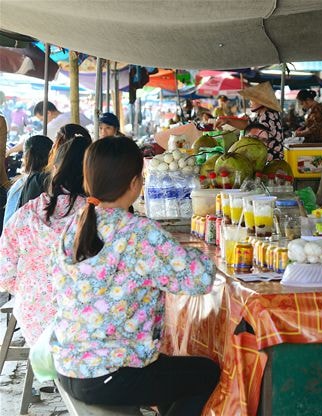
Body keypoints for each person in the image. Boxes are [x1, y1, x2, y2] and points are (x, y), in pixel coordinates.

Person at [50, 136, 219, 415]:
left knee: (169, 373)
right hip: (108, 374)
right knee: (206, 374)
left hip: (69, 365)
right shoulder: (139, 232)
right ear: (135, 183)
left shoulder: (75, 226)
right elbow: (200, 279)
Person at [0, 136, 90, 345]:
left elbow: (3, 272)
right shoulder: (99, 215)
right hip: (84, 323)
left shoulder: (28, 211)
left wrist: (30, 287)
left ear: (55, 169)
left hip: (33, 321)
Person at [215, 82, 284, 161]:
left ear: (261, 101)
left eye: (252, 100)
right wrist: (227, 120)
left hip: (271, 161)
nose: (249, 102)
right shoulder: (262, 114)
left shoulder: (268, 115)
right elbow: (246, 124)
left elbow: (259, 136)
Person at [6, 101, 92, 156]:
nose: (44, 123)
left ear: (48, 113)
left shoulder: (58, 122)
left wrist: (10, 151)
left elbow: (34, 140)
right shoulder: (76, 115)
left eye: (42, 119)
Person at [3, 135, 53, 227]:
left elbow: (8, 222)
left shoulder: (20, 185)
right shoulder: (56, 182)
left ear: (27, 156)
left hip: (23, 238)